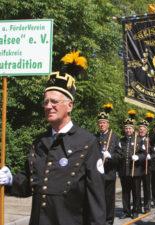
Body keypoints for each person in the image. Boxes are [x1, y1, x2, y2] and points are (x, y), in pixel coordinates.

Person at [0, 51, 106, 225]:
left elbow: (96, 203)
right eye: (46, 101)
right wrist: (11, 180)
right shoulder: (39, 142)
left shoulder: (87, 142)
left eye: (55, 101)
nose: (49, 106)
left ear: (69, 105)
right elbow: (30, 184)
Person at [96, 103, 121, 225]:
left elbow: (119, 156)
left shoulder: (114, 137)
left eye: (104, 122)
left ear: (108, 124)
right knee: (98, 198)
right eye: (100, 123)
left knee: (109, 199)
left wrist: (110, 156)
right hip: (97, 174)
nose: (101, 125)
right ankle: (100, 218)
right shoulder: (95, 137)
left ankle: (109, 220)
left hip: (109, 173)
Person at [118, 110, 145, 219]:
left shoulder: (139, 140)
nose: (128, 130)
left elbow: (144, 154)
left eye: (130, 128)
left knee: (136, 192)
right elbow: (119, 154)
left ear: (133, 129)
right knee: (125, 192)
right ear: (124, 130)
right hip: (124, 171)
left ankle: (135, 210)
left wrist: (138, 157)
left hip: (136, 171)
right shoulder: (121, 140)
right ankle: (126, 211)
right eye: (126, 128)